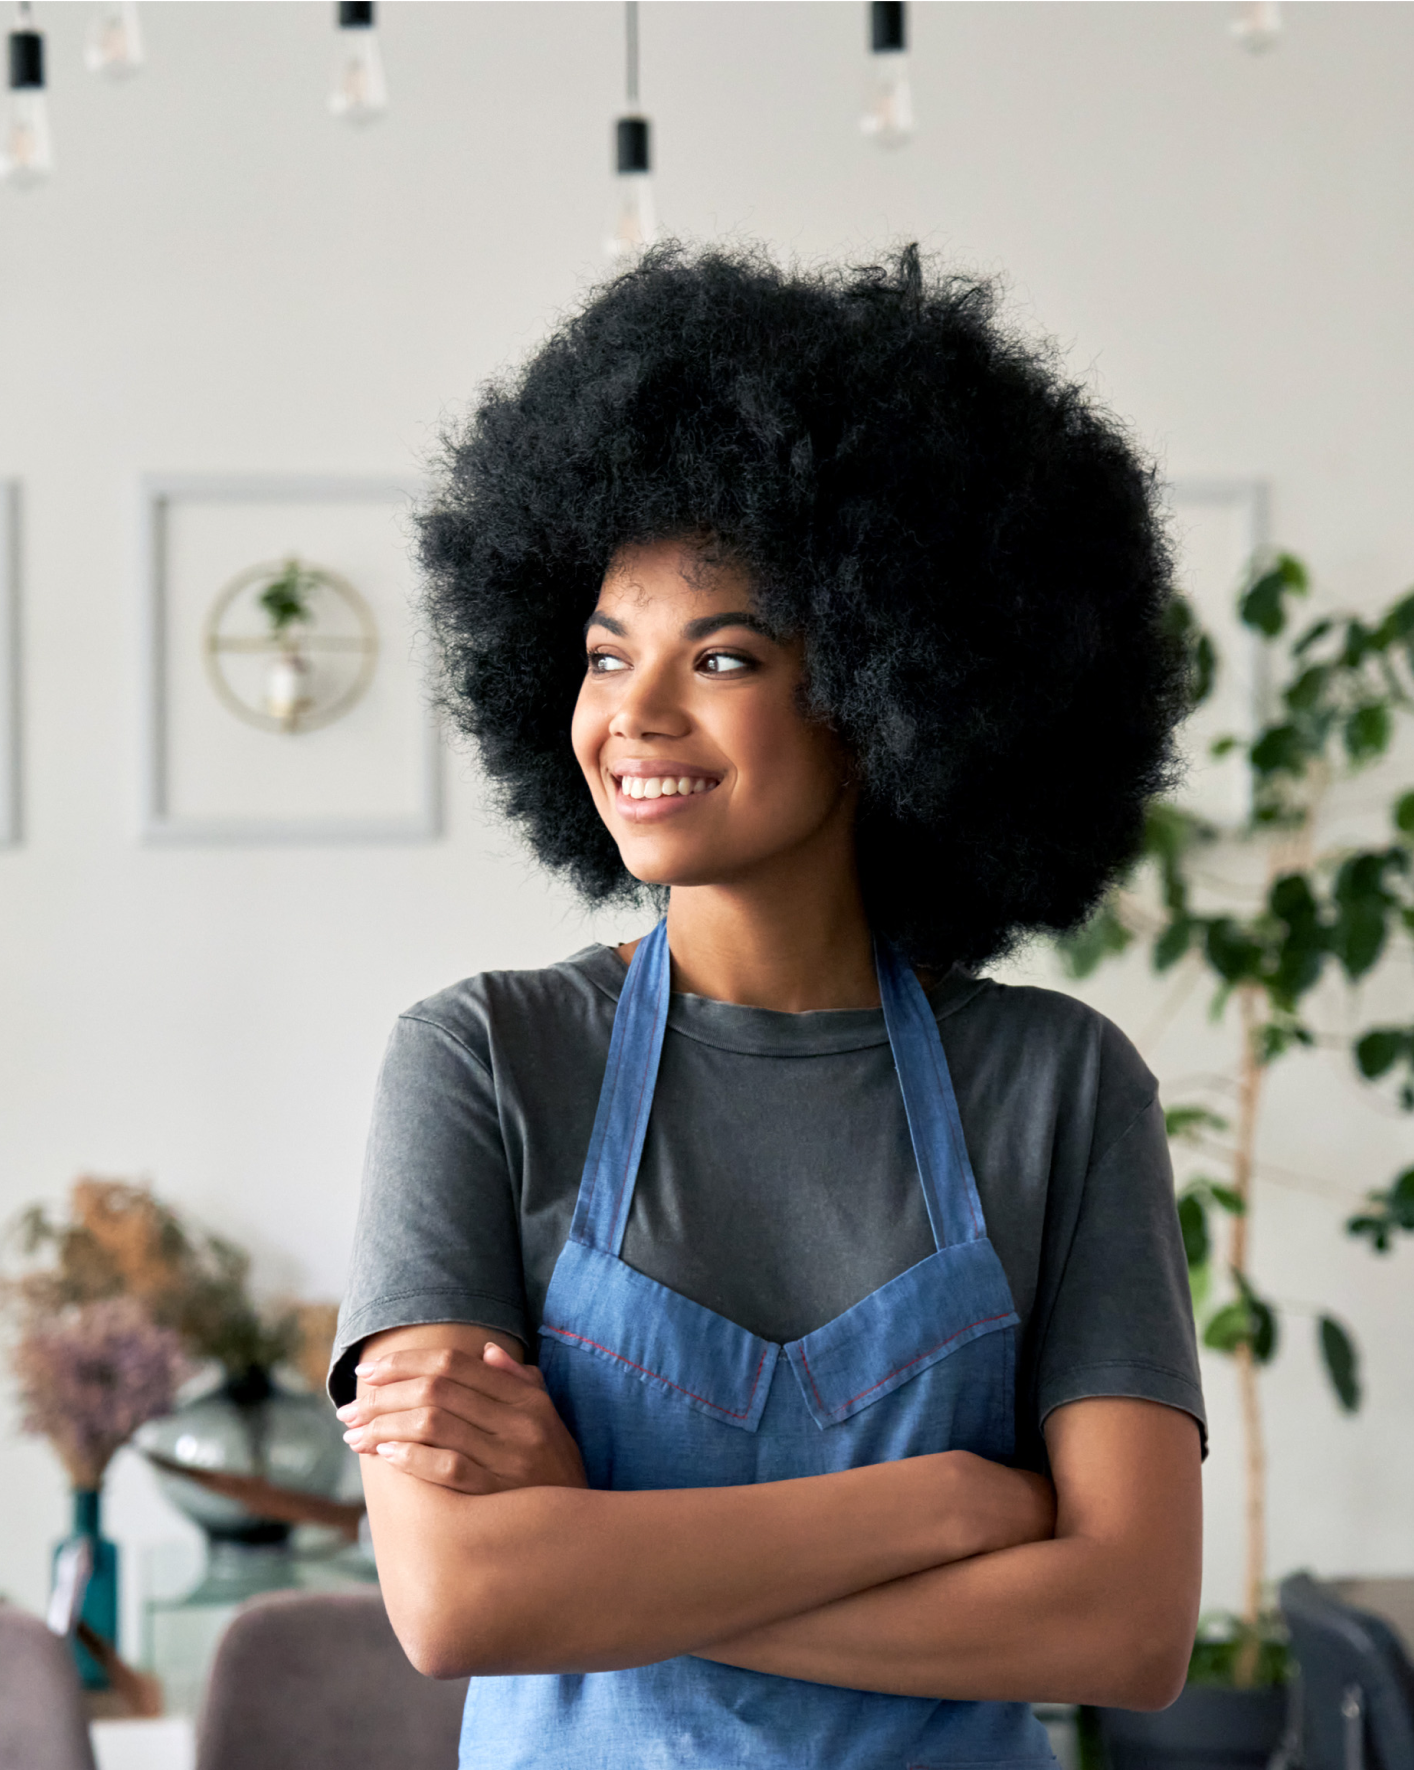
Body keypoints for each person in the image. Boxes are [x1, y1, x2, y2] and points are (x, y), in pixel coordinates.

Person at [330, 245, 1206, 1769]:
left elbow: (1124, 1627)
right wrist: (936, 1509)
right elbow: (459, 1597)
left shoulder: (1060, 1087)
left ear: (884, 689)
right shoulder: (480, 1062)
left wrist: (598, 1546)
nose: (633, 718)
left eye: (721, 655)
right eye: (607, 655)